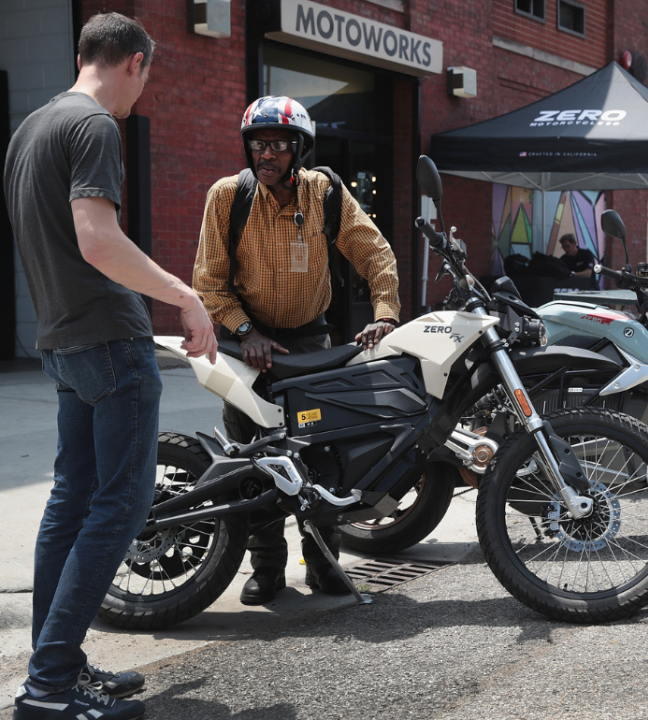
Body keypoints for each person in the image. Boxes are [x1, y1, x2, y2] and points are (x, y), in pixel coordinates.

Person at [3, 12, 217, 720]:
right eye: (146, 77)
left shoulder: (29, 130)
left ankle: (53, 663)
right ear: (134, 62)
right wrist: (186, 298)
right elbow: (97, 241)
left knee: (71, 504)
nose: (140, 93)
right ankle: (50, 688)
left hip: (63, 346)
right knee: (119, 508)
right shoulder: (93, 126)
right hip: (109, 345)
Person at [193, 95, 400, 606]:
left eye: (279, 146)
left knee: (321, 453)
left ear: (299, 149)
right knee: (255, 456)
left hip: (311, 342)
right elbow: (208, 282)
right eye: (258, 145)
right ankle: (266, 568)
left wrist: (385, 314)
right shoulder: (226, 197)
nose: (267, 155)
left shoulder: (325, 192)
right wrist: (246, 332)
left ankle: (324, 563)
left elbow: (374, 252)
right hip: (249, 346)